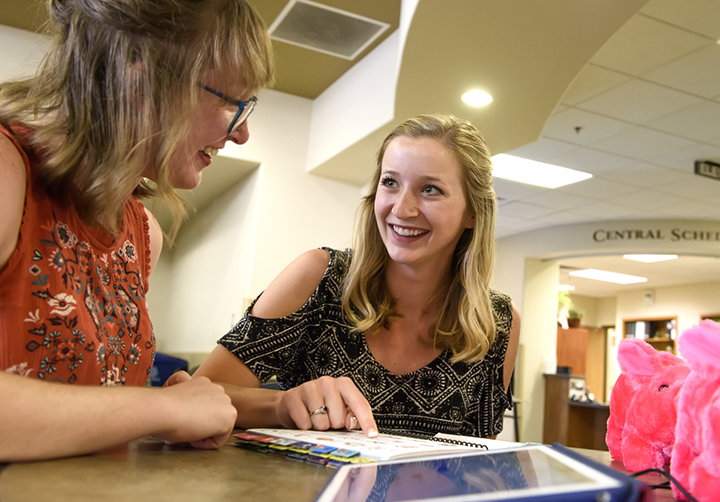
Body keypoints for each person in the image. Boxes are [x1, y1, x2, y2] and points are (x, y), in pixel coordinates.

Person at [0, 0, 274, 462]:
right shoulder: (9, 173)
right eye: (231, 102)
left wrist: (173, 404)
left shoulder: (143, 234)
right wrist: (157, 407)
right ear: (141, 81)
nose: (242, 133)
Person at [195, 114, 521, 440]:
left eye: (431, 189)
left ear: (473, 212)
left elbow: (478, 461)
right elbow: (196, 395)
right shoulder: (319, 278)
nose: (402, 208)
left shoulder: (498, 323)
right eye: (390, 182)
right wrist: (281, 405)